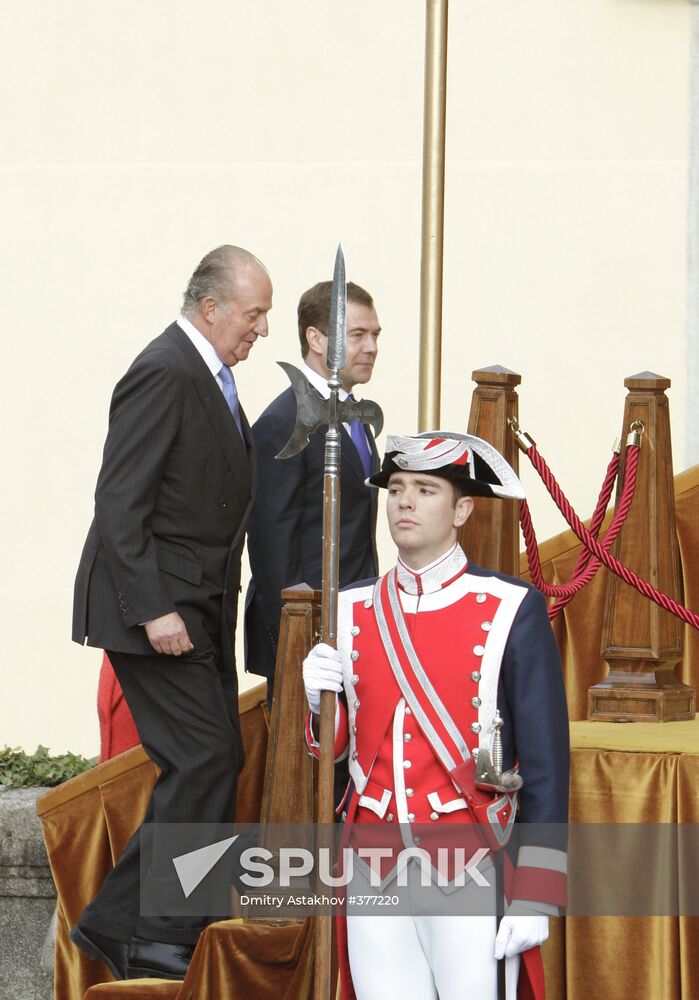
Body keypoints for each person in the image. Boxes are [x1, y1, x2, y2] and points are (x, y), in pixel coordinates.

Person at [302, 433, 570, 1000]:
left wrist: (536, 891)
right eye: (396, 489)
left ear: (462, 510)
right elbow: (338, 756)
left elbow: (546, 766)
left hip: (467, 861)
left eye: (426, 490)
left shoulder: (509, 607)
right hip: (371, 862)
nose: (404, 501)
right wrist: (315, 705)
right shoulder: (349, 609)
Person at [70, 244, 273, 981]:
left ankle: (125, 923)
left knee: (216, 757)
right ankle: (153, 927)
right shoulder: (165, 368)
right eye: (253, 314)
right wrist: (153, 610)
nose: (260, 330)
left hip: (200, 608)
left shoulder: (209, 374)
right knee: (205, 757)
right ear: (211, 306)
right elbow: (120, 502)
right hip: (154, 609)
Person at [245, 280, 382, 694]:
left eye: (375, 335)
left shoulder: (356, 416)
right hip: (307, 642)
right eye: (357, 335)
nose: (371, 347)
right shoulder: (285, 421)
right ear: (316, 339)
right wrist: (298, 646)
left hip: (351, 629)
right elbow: (271, 545)